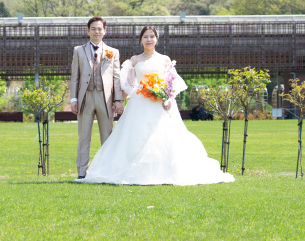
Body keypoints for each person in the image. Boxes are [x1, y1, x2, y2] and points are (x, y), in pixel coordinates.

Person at [78, 26, 234, 185]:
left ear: (156, 39)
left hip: (161, 103)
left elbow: (171, 83)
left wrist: (169, 98)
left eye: (152, 36)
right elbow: (127, 84)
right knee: (135, 136)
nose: (149, 40)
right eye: (145, 37)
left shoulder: (165, 59)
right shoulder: (134, 60)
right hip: (139, 103)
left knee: (165, 137)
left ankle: (165, 171)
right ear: (141, 40)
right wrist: (118, 101)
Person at [69, 16, 124, 179]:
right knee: (83, 136)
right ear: (88, 31)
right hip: (85, 97)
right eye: (93, 28)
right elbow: (75, 77)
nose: (97, 31)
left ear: (104, 31)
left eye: (100, 28)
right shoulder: (78, 50)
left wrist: (118, 99)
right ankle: (81, 172)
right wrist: (73, 99)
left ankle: (107, 171)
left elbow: (116, 76)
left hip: (105, 98)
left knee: (107, 136)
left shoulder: (112, 52)